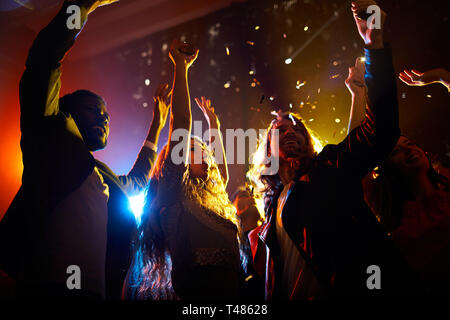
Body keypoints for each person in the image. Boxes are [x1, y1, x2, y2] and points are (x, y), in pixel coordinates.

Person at [0, 0, 170, 299]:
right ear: (67, 111)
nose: (104, 117)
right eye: (94, 109)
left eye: (106, 113)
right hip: (47, 286)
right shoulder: (50, 133)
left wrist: (158, 124)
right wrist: (81, 6)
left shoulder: (98, 173)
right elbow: (44, 60)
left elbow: (137, 181)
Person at [247, 0, 409, 299]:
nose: (291, 132)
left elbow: (379, 131)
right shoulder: (273, 206)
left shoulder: (329, 167)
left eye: (297, 128)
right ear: (265, 148)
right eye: (280, 129)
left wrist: (374, 47)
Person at [123, 40, 247, 300]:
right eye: (189, 149)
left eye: (202, 148)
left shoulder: (214, 198)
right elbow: (181, 123)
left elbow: (220, 172)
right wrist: (181, 66)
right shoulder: (174, 190)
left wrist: (214, 125)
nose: (201, 152)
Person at [346, 45, 450, 296]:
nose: (410, 150)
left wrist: (441, 76)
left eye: (411, 144)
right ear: (385, 168)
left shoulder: (448, 182)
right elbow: (353, 161)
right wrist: (358, 95)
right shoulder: (390, 212)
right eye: (397, 151)